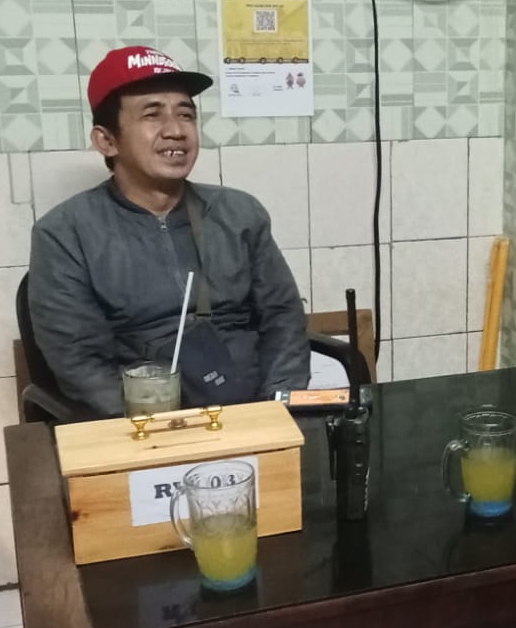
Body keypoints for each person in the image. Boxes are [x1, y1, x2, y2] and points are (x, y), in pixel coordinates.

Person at [28, 45, 310, 418]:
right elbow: (79, 362)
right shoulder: (65, 234)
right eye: (152, 114)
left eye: (186, 114)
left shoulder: (240, 214)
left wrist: (277, 406)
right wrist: (160, 426)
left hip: (253, 410)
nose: (176, 130)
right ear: (107, 140)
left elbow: (284, 320)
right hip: (143, 422)